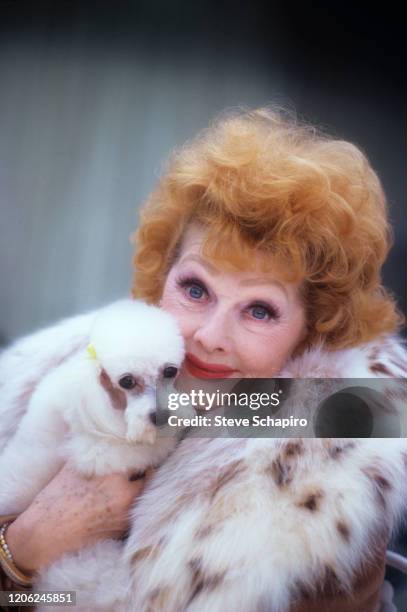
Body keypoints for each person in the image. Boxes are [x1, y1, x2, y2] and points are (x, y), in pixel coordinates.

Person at [1, 107, 406, 611]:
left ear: (311, 331)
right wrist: (25, 546)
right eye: (195, 288)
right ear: (162, 277)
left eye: (259, 310)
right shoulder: (63, 367)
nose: (209, 336)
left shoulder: (331, 480)